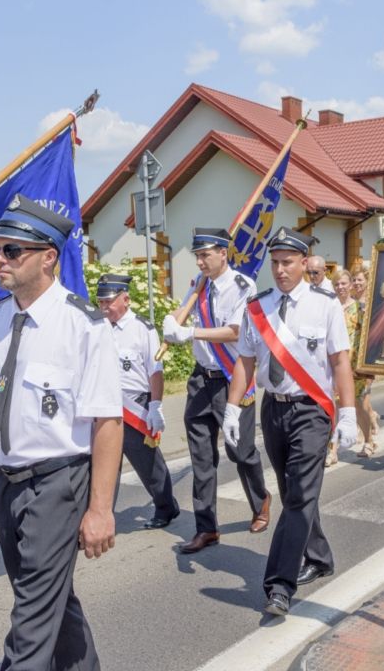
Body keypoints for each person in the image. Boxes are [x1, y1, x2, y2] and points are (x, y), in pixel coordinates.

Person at [0, 196, 121, 671]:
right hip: (6, 484)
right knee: (50, 602)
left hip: (58, 483)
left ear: (48, 257)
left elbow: (107, 422)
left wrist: (100, 509)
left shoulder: (83, 325)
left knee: (31, 617)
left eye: (12, 251)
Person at [225, 227, 357, 617]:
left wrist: (348, 412)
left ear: (303, 263)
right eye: (275, 263)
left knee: (299, 495)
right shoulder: (258, 307)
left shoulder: (326, 305)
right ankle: (318, 555)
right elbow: (245, 361)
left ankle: (279, 586)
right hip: (274, 408)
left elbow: (340, 361)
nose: (280, 270)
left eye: (288, 262)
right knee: (293, 493)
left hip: (312, 410)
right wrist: (233, 408)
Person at [162, 228, 270, 554]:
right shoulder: (200, 284)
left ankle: (261, 500)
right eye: (197, 256)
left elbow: (235, 331)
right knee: (201, 458)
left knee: (240, 451)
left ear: (223, 253)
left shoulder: (242, 286)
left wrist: (191, 333)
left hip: (231, 378)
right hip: (201, 379)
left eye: (205, 255)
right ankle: (206, 528)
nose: (200, 261)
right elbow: (182, 315)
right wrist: (171, 322)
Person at [96, 273, 180, 529]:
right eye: (101, 302)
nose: (104, 307)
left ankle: (166, 507)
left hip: (135, 405)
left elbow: (155, 371)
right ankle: (102, 516)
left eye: (109, 302)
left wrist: (155, 405)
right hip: (105, 405)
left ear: (125, 299)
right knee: (104, 464)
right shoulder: (98, 327)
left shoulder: (142, 328)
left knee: (148, 464)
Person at [334, 270, 379, 460]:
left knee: (358, 404)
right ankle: (333, 449)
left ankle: (369, 440)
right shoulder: (331, 307)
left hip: (355, 364)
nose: (340, 287)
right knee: (337, 404)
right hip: (336, 362)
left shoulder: (360, 308)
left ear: (350, 285)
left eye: (344, 283)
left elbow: (372, 335)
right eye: (337, 284)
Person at [348, 263, 380, 445]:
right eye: (354, 280)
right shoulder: (350, 301)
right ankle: (371, 418)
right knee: (355, 396)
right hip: (350, 354)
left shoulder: (373, 302)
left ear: (367, 281)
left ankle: (364, 431)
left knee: (362, 395)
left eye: (360, 279)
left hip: (366, 355)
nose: (356, 283)